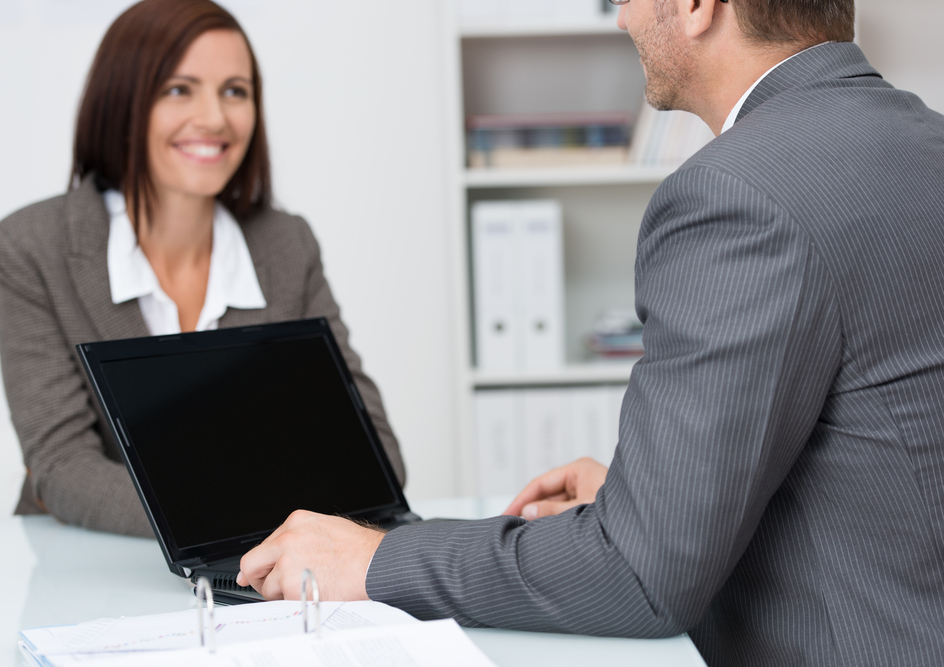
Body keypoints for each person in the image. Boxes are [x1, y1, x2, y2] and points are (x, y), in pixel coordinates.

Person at [236, 0, 944, 664]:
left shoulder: (738, 194)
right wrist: (649, 499)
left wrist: (374, 559)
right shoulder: (926, 143)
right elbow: (880, 460)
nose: (623, 16)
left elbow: (641, 575)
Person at [0, 0, 405, 538]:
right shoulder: (31, 247)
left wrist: (244, 522)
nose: (214, 118)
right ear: (122, 103)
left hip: (262, 575)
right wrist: (248, 515)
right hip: (95, 564)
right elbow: (63, 467)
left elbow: (375, 458)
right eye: (179, 89)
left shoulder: (285, 244)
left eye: (235, 90)